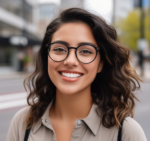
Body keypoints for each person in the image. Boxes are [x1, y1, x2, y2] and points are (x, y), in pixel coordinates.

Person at [6, 8, 147, 141]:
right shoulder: (23, 123)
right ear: (46, 56)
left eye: (86, 51)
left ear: (101, 64)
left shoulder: (126, 132)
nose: (70, 61)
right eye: (60, 49)